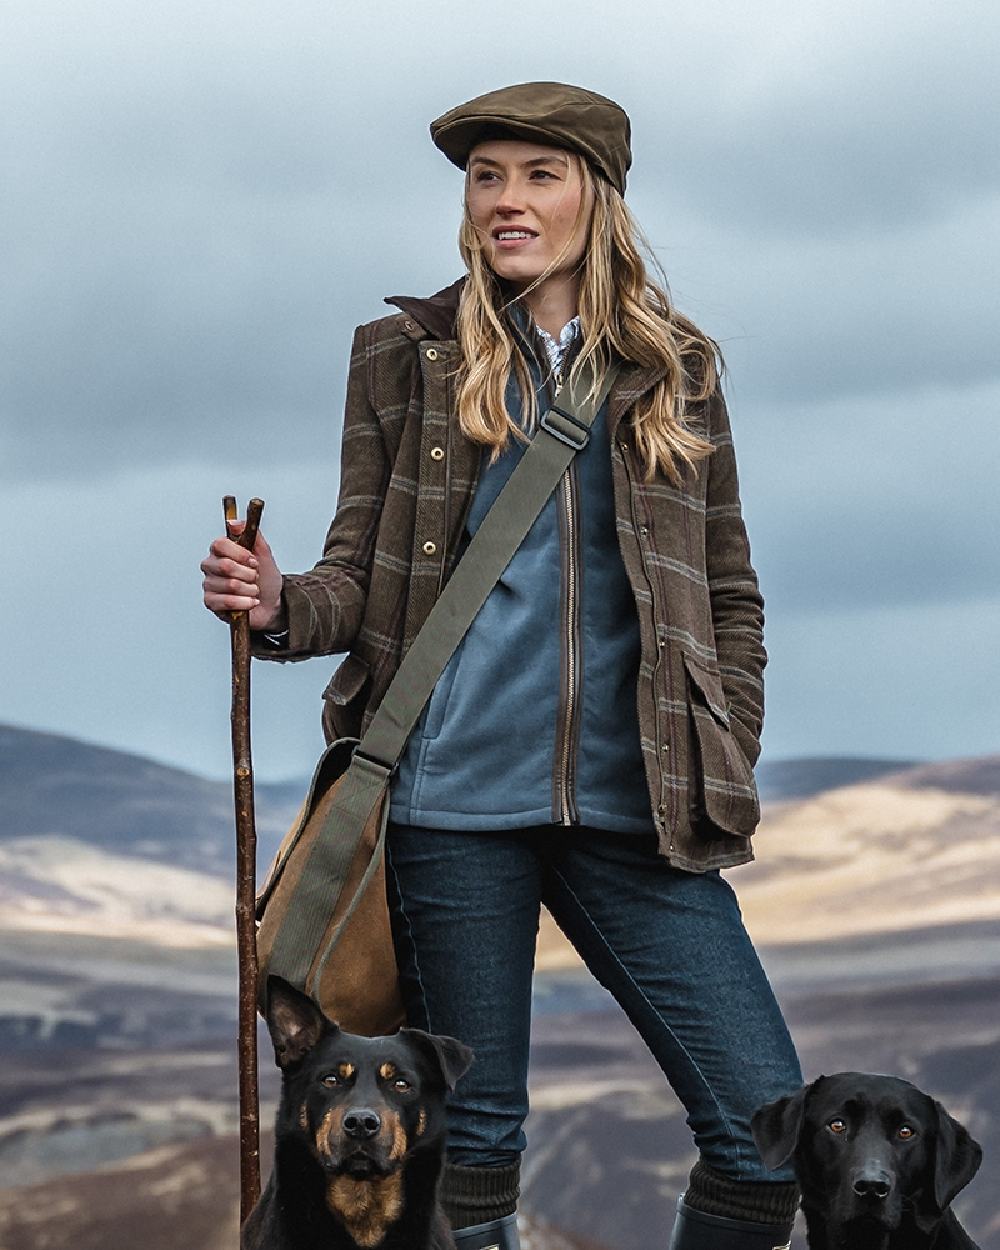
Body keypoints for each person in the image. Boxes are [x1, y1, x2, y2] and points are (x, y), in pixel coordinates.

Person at [202, 82, 803, 1250]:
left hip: (637, 806)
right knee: (470, 1152)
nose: (507, 201)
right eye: (487, 177)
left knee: (759, 1127)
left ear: (598, 196)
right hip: (449, 806)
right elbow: (355, 578)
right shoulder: (404, 358)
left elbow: (729, 590)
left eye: (539, 174)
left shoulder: (675, 368)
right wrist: (277, 604)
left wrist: (723, 739)